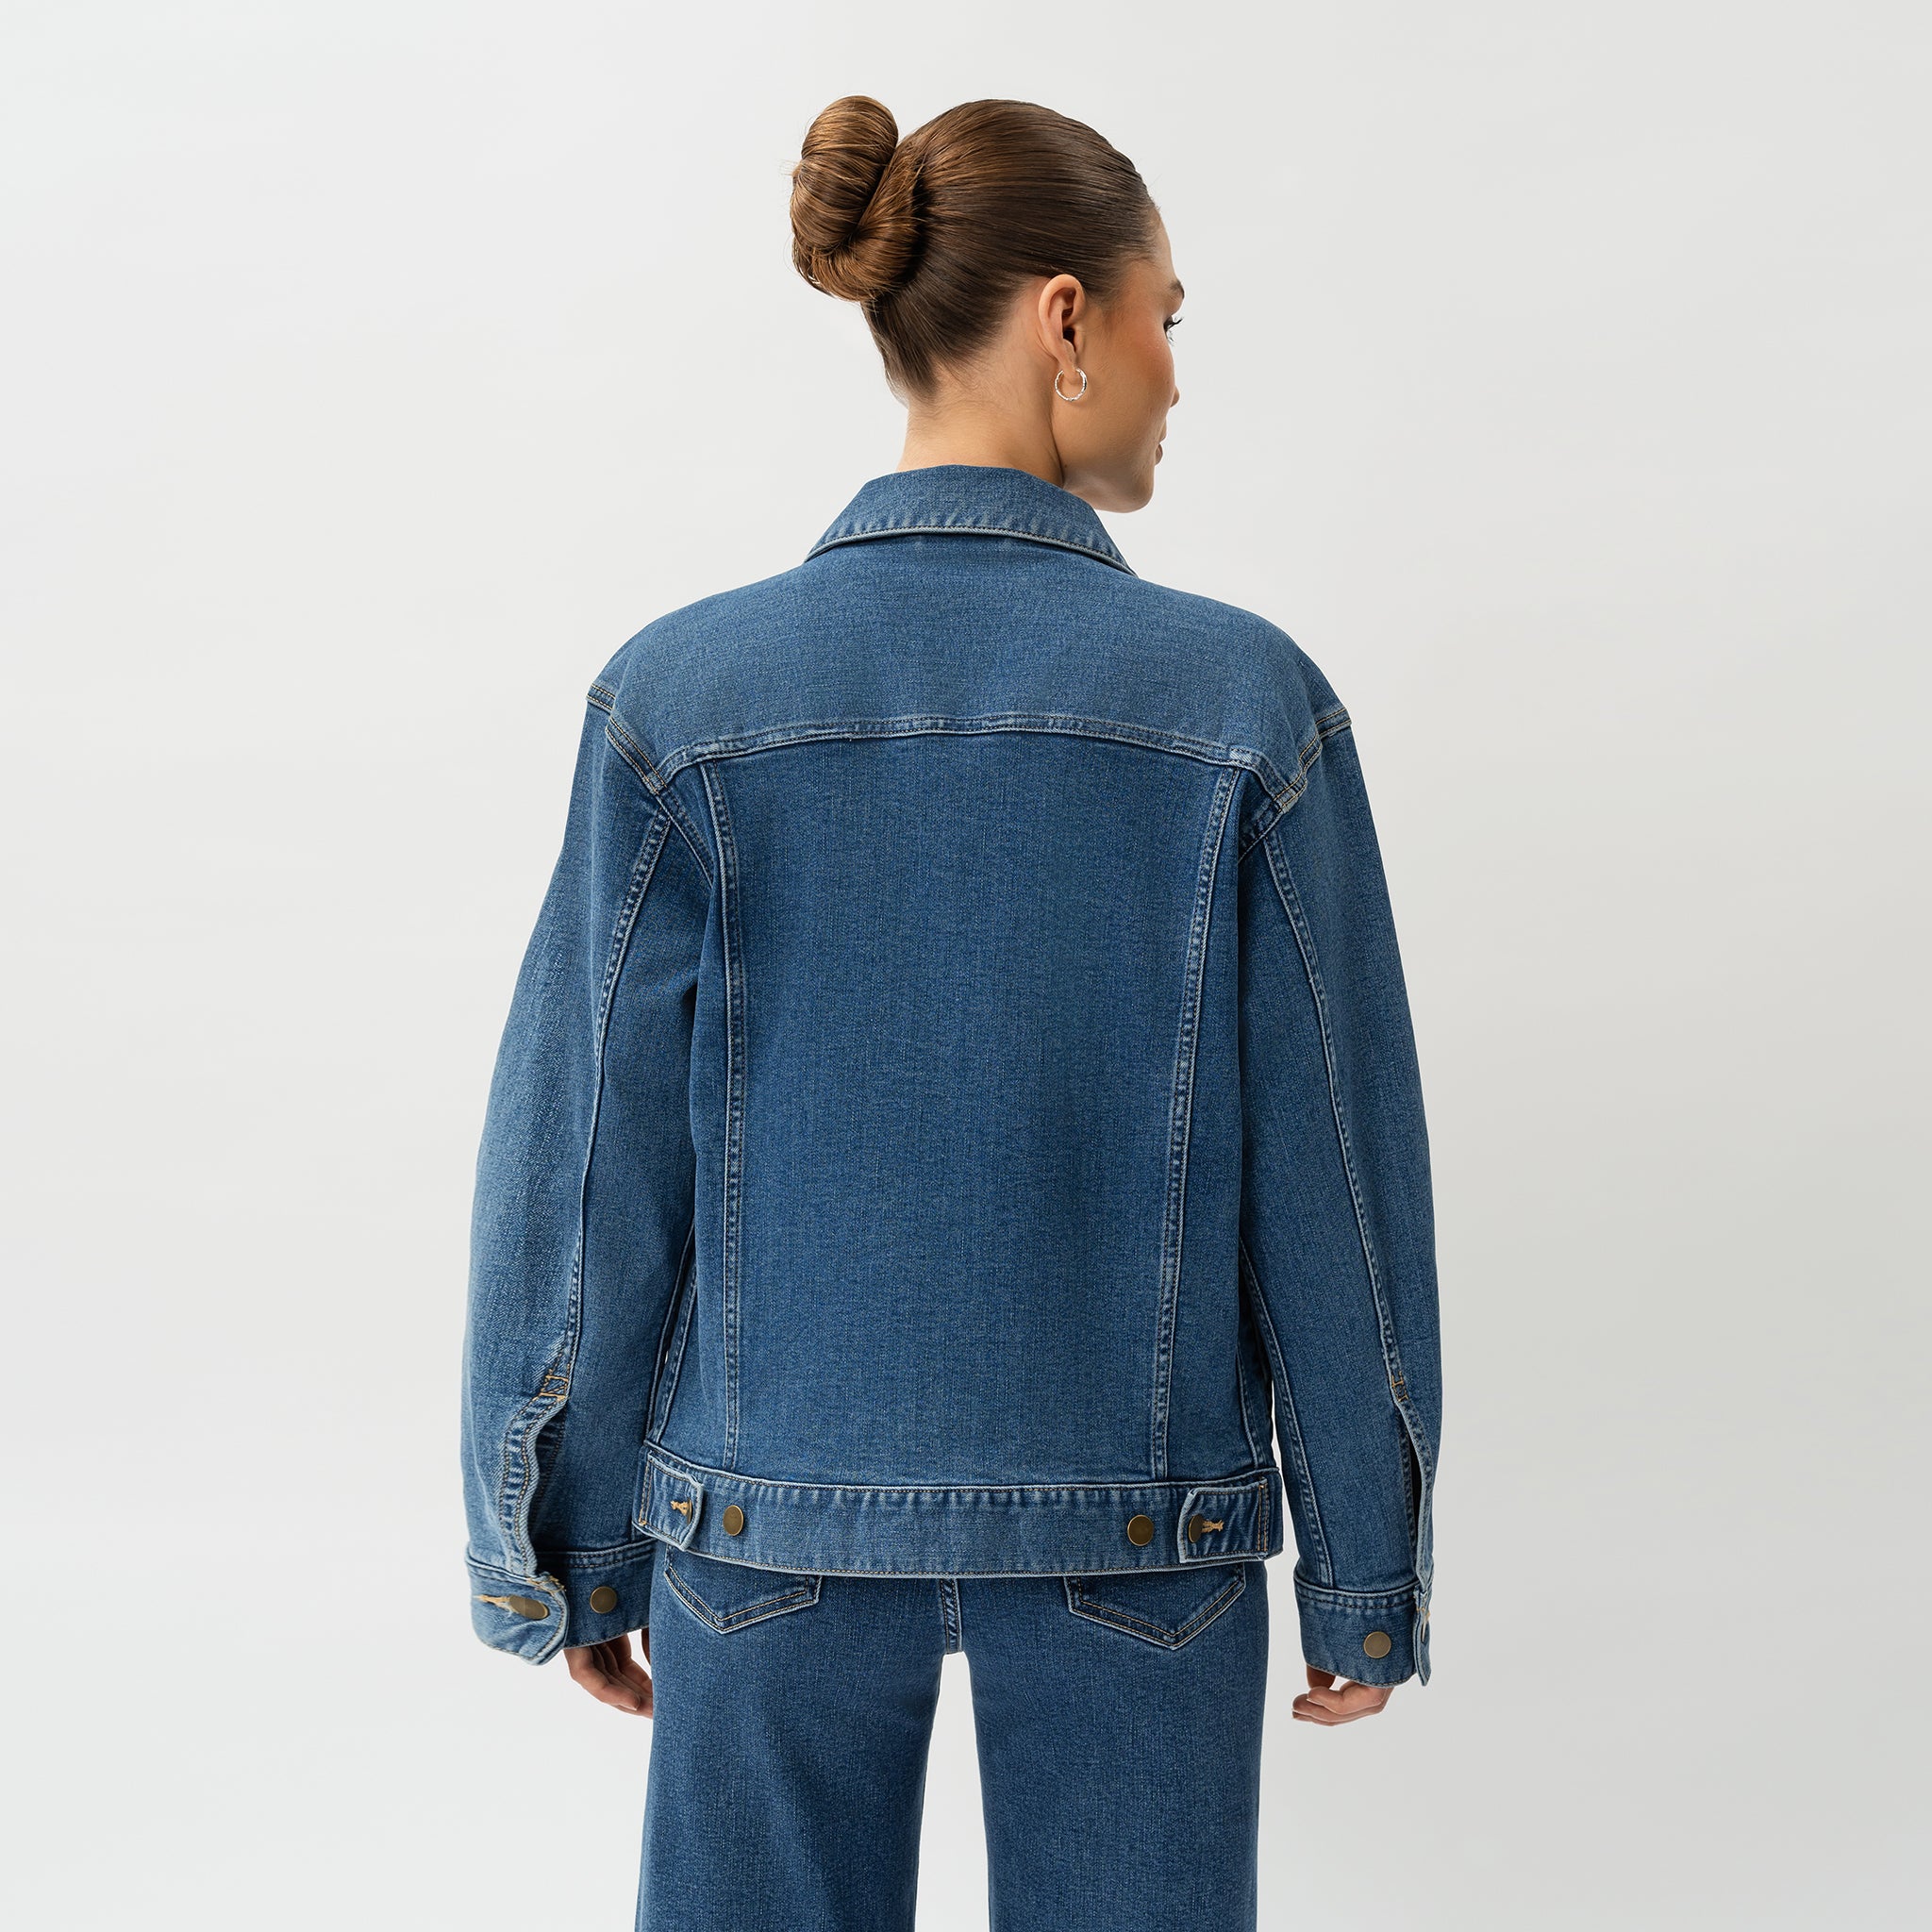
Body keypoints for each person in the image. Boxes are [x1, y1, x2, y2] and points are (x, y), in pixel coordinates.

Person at [460, 93, 1441, 1932]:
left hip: (760, 1531)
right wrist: (1365, 1568)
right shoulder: (1245, 709)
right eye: (1166, 316)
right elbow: (1337, 1181)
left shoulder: (680, 700)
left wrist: (566, 1540)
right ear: (1067, 318)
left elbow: (587, 1172)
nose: (1175, 371)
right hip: (1145, 1538)